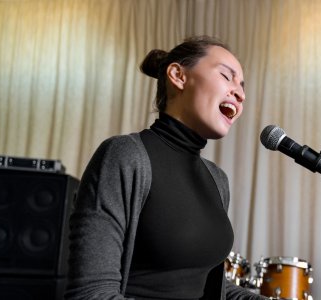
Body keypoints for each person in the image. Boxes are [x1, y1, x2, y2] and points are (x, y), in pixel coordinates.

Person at [65, 35, 266, 300]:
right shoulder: (124, 156)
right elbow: (91, 293)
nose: (240, 94)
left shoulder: (217, 180)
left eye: (242, 87)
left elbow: (212, 288)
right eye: (227, 77)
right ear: (178, 75)